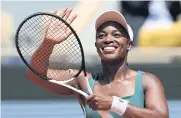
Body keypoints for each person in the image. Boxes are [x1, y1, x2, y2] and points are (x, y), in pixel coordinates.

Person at [27, 8, 169, 118]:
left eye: (116, 35)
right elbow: (35, 75)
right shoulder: (83, 80)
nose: (108, 39)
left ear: (129, 44)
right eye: (101, 36)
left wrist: (114, 104)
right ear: (97, 45)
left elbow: (161, 116)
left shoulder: (147, 81)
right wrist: (48, 44)